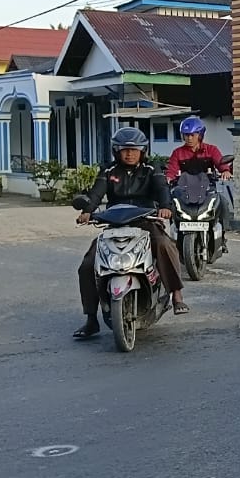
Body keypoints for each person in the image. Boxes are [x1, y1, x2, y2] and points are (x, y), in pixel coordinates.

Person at [73, 127, 187, 340]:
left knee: (164, 244)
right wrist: (87, 211)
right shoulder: (108, 171)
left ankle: (177, 295)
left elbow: (163, 189)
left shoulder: (152, 169)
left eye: (134, 150)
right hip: (115, 224)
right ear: (117, 151)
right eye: (125, 149)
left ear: (142, 151)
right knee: (88, 264)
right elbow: (96, 194)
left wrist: (165, 206)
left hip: (146, 221)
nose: (129, 153)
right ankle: (91, 318)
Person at [164, 117, 233, 246]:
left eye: (192, 135)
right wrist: (168, 177)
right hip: (185, 190)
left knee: (223, 203)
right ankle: (175, 237)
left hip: (206, 189)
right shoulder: (177, 153)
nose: (189, 138)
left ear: (200, 135)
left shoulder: (211, 150)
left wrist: (225, 171)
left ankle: (222, 235)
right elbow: (171, 169)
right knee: (171, 204)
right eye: (186, 135)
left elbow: (220, 163)